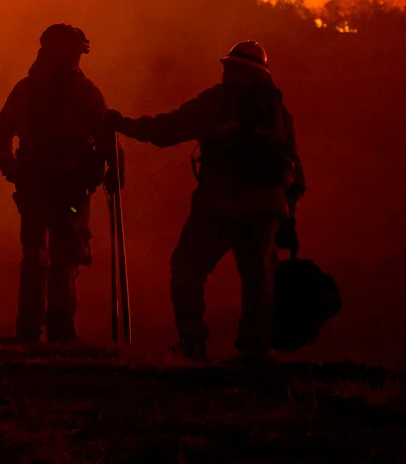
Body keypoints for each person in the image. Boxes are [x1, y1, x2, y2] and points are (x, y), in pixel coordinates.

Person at [108, 41, 305, 361]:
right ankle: (255, 352)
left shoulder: (217, 101)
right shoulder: (278, 111)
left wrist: (123, 125)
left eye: (230, 66)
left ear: (241, 70)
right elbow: (295, 165)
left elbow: (166, 131)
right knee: (258, 278)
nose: (225, 71)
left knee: (186, 269)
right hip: (267, 206)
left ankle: (192, 343)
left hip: (218, 203)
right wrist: (288, 213)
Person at [0, 25, 115, 343]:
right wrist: (112, 167)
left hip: (37, 185)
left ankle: (30, 329)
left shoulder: (27, 90)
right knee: (64, 256)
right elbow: (105, 139)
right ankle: (60, 330)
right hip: (67, 187)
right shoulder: (85, 93)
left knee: (37, 255)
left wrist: (12, 168)